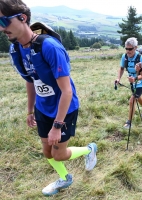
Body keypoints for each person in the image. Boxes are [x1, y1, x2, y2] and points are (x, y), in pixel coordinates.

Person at [1, 0, 97, 196]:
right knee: (47, 152)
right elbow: (31, 81)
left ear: (22, 18)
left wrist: (57, 125)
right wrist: (30, 110)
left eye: (4, 22)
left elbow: (67, 91)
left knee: (59, 153)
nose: (2, 29)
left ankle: (89, 149)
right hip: (43, 108)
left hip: (64, 108)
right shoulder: (16, 50)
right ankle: (65, 179)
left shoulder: (50, 47)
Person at [115, 37, 142, 129]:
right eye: (126, 48)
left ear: (135, 47)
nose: (128, 51)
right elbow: (121, 68)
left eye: (130, 49)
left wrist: (135, 78)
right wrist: (118, 78)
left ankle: (129, 122)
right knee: (138, 97)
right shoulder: (124, 56)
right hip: (132, 82)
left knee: (132, 100)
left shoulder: (141, 57)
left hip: (141, 82)